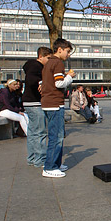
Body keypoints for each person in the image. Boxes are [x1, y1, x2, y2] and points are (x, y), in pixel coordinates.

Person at [41, 38, 76, 178]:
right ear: (59, 49)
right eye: (67, 52)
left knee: (57, 136)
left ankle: (56, 163)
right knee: (56, 137)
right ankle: (50, 167)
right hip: (54, 104)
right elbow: (59, 84)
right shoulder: (57, 63)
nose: (68, 55)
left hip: (49, 103)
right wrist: (69, 77)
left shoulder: (49, 62)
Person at [22, 46, 53, 167]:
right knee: (40, 132)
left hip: (29, 102)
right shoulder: (36, 66)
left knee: (32, 132)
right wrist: (40, 82)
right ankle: (40, 159)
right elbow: (31, 79)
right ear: (41, 56)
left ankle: (32, 158)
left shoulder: (31, 66)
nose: (49, 61)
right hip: (34, 102)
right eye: (48, 58)